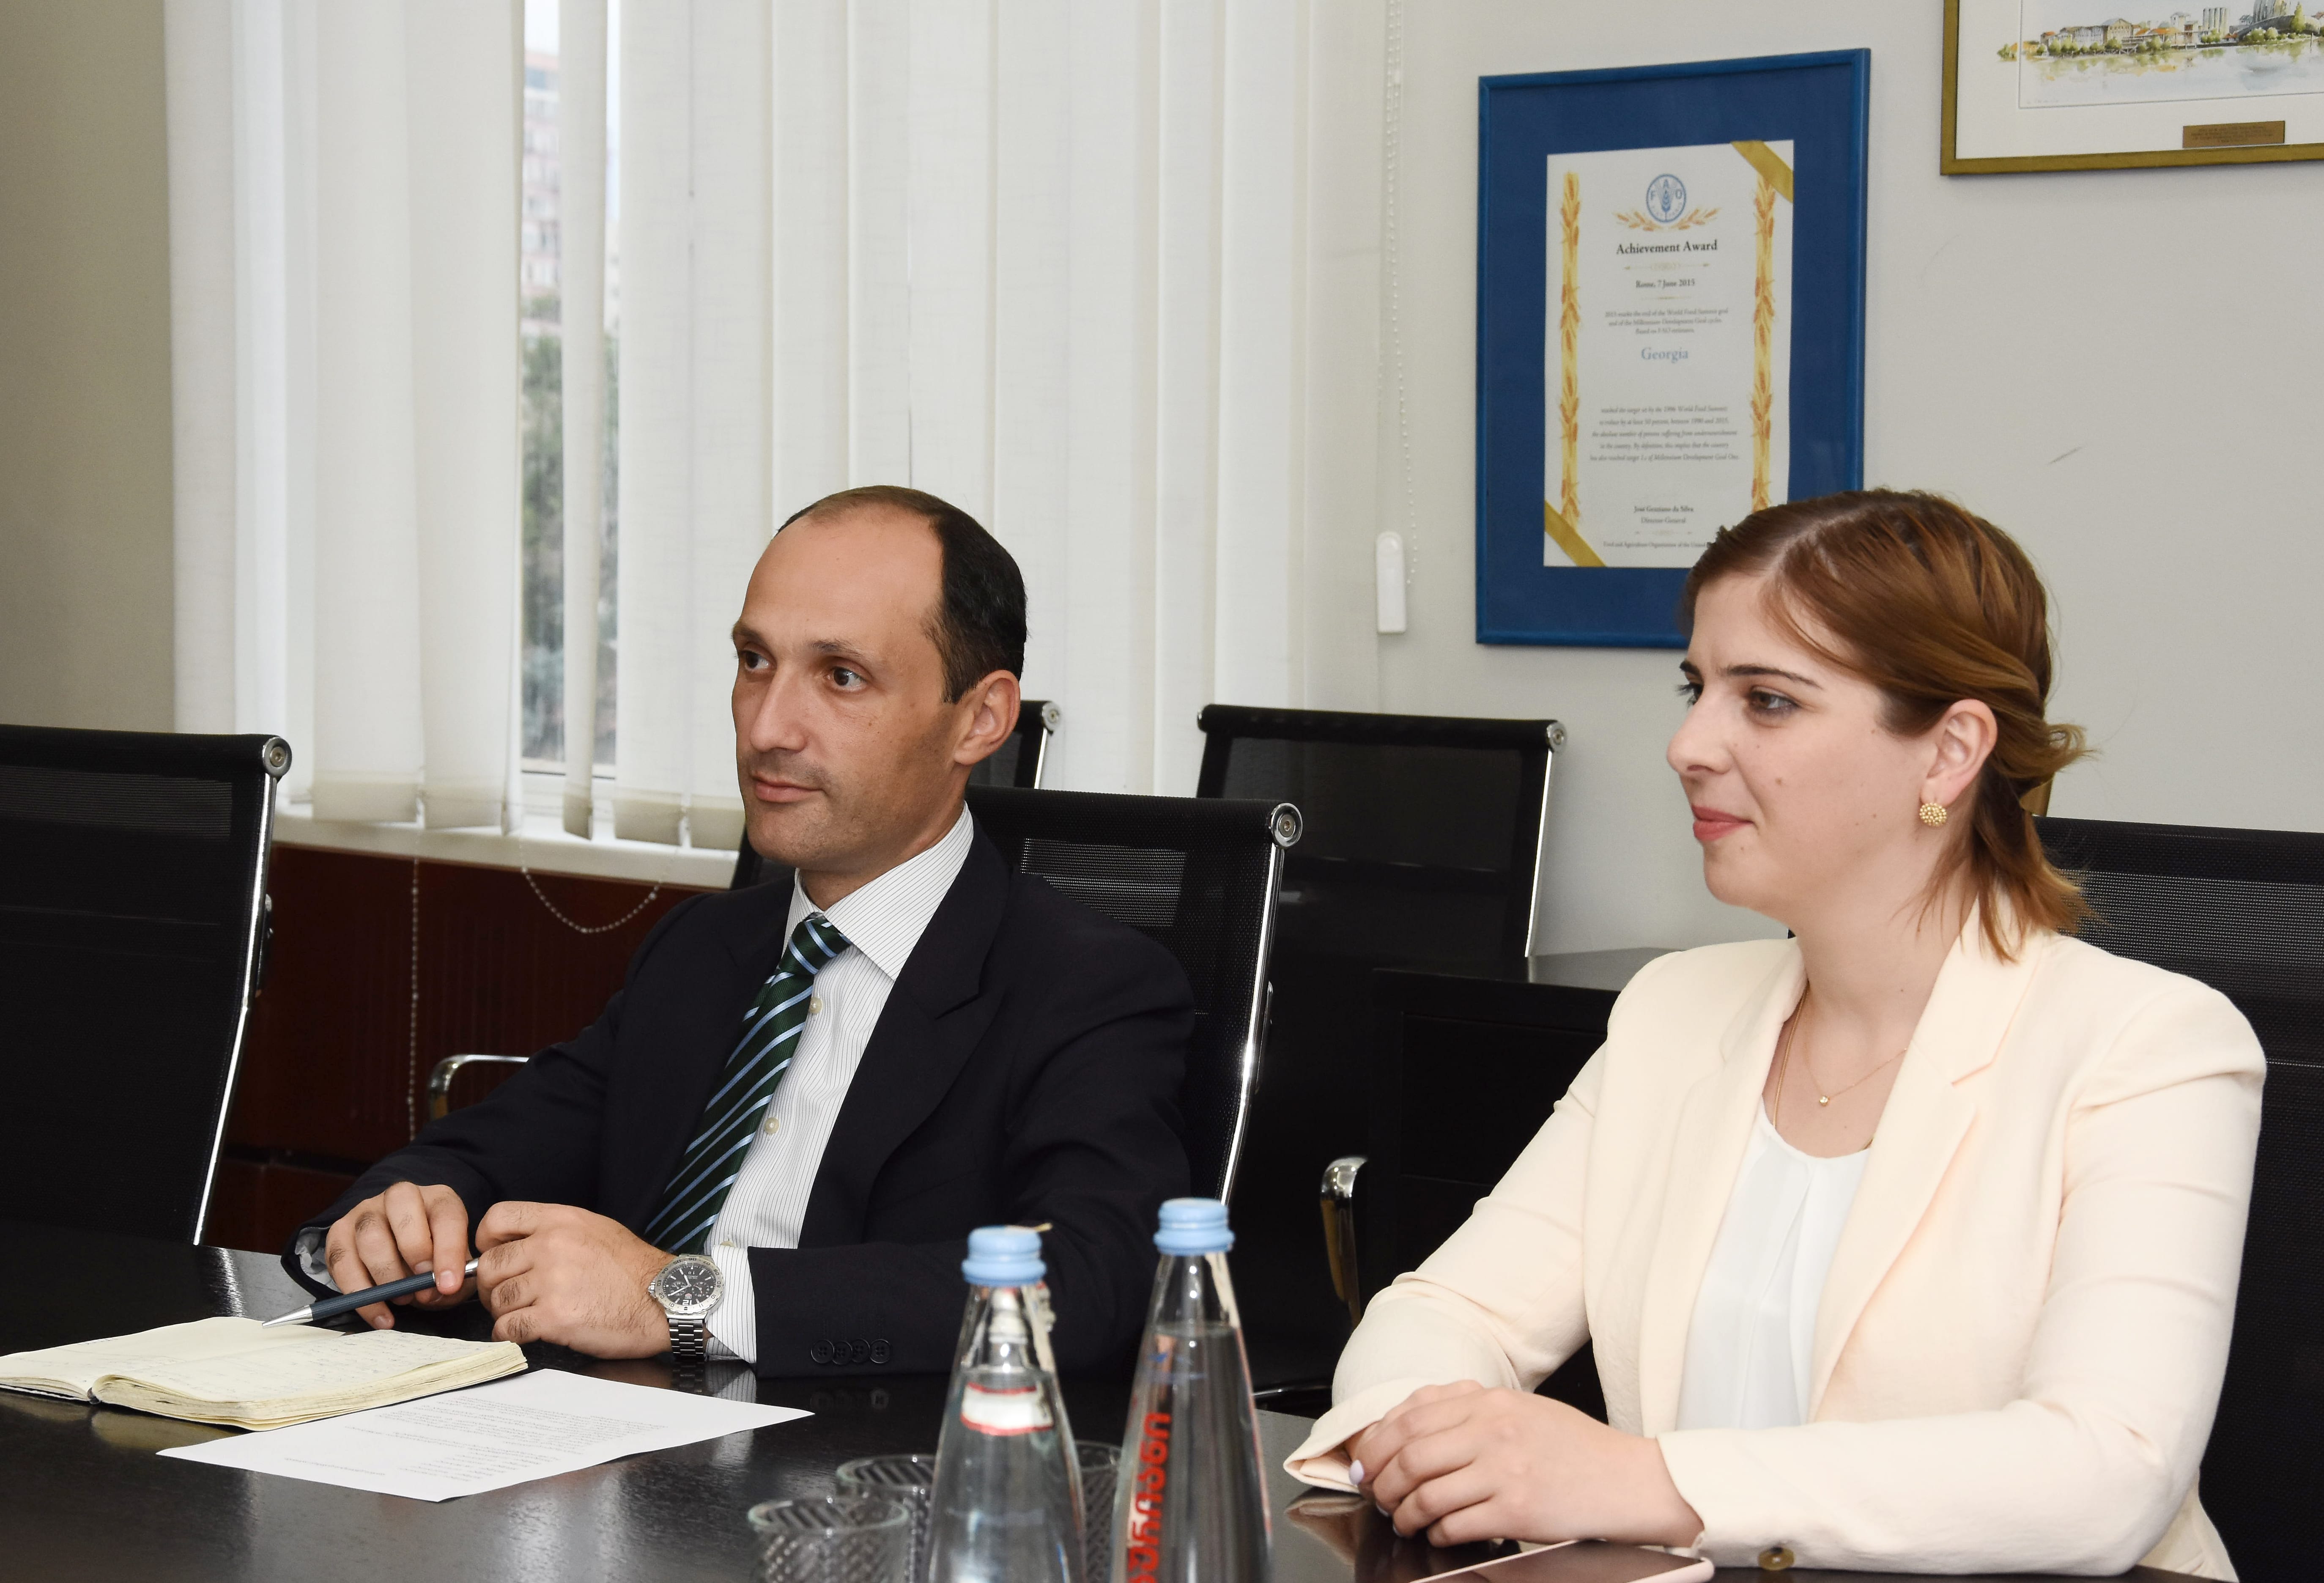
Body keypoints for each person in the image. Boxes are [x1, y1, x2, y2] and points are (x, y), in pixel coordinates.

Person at [1285, 490, 2264, 1579]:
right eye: (1696, 687)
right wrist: (1429, 1437)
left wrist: (1645, 1480)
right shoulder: (1674, 1011)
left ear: (1950, 752)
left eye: (1769, 700)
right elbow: (1446, 1310)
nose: (1687, 745)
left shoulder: (2149, 1047)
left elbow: (2107, 1470)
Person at [285, 485, 1193, 1376]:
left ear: (981, 719)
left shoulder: (1086, 985)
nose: (766, 727)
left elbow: (1091, 1279)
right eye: (755, 661)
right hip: (605, 1438)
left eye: (841, 677)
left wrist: (681, 1300)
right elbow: (491, 1149)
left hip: (854, 1461)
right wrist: (394, 1218)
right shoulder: (702, 949)